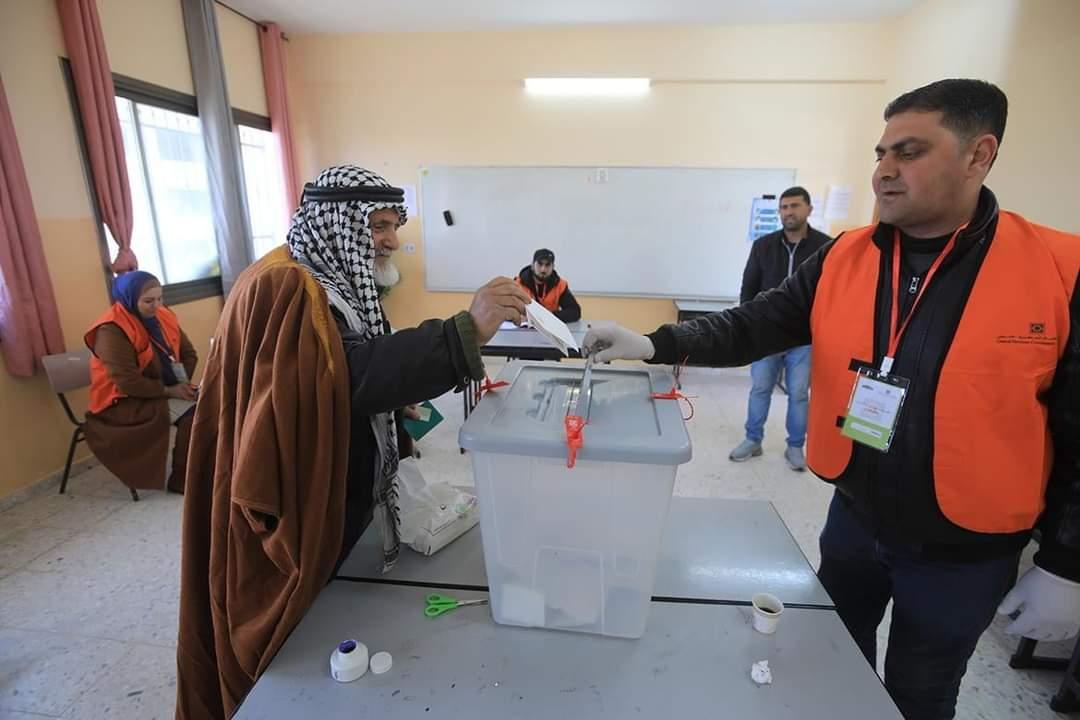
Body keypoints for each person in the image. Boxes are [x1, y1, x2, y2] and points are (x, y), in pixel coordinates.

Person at [583, 79, 1080, 720]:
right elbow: (752, 324)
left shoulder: (1057, 270)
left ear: (978, 156)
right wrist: (656, 343)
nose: (884, 171)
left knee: (920, 693)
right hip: (855, 521)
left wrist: (1066, 564)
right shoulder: (843, 256)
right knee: (832, 666)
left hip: (964, 549)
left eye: (909, 152)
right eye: (881, 153)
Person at [176, 165, 530, 719]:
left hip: (331, 480)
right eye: (378, 226)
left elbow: (335, 373)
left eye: (393, 226)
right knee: (294, 644)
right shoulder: (287, 285)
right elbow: (341, 379)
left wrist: (391, 401)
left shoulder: (329, 281)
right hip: (292, 497)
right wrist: (462, 332)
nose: (390, 240)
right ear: (334, 223)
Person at [732, 186, 831, 470]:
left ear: (809, 209)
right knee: (760, 388)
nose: (789, 212)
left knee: (798, 393)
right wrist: (749, 326)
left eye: (795, 206)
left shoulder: (826, 247)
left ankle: (795, 447)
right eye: (784, 207)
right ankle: (753, 440)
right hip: (767, 334)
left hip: (804, 338)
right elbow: (749, 288)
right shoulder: (763, 246)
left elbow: (832, 293)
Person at [83, 271, 198, 496]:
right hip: (124, 401)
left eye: (160, 298)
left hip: (161, 389)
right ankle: (182, 480)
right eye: (148, 301)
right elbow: (127, 382)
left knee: (216, 403)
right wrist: (169, 390)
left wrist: (182, 385)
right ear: (129, 298)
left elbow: (188, 354)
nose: (157, 306)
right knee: (194, 417)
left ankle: (205, 469)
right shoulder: (111, 329)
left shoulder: (163, 315)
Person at [516, 248, 581, 323]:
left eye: (547, 265)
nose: (543, 269)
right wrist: (518, 315)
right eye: (540, 264)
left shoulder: (560, 285)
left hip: (550, 327)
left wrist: (550, 316)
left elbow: (575, 312)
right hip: (524, 327)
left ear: (553, 267)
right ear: (532, 265)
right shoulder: (518, 284)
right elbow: (507, 309)